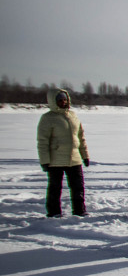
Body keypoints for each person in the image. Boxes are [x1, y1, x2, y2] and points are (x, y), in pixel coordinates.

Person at [37, 88, 89, 217]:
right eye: (60, 100)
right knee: (55, 188)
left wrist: (85, 155)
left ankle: (79, 211)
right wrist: (45, 161)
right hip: (56, 160)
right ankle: (54, 212)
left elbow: (81, 137)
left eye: (64, 99)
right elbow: (42, 141)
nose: (63, 102)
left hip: (75, 159)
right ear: (53, 101)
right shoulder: (48, 118)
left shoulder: (73, 115)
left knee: (78, 187)